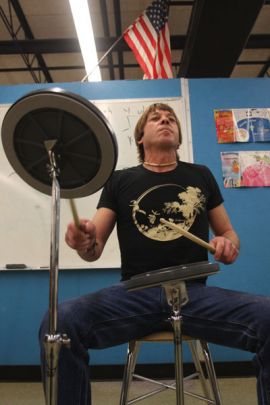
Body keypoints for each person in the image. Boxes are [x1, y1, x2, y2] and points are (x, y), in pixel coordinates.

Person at [40, 103, 270, 405]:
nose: (165, 120)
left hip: (193, 294)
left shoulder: (200, 175)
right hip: (135, 293)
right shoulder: (119, 180)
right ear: (140, 138)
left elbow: (229, 234)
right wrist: (83, 241)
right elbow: (92, 248)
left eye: (170, 118)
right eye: (155, 118)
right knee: (60, 322)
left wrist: (228, 245)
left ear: (178, 137)